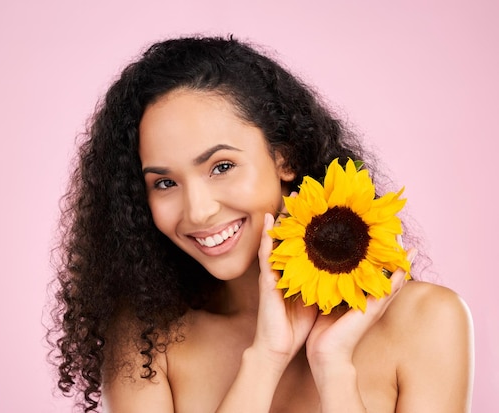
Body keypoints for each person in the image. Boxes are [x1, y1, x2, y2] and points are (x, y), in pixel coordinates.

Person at [48, 36, 474, 413]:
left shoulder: (427, 322)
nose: (197, 211)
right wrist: (265, 358)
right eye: (165, 182)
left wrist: (335, 368)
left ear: (283, 155)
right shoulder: (145, 342)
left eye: (222, 166)